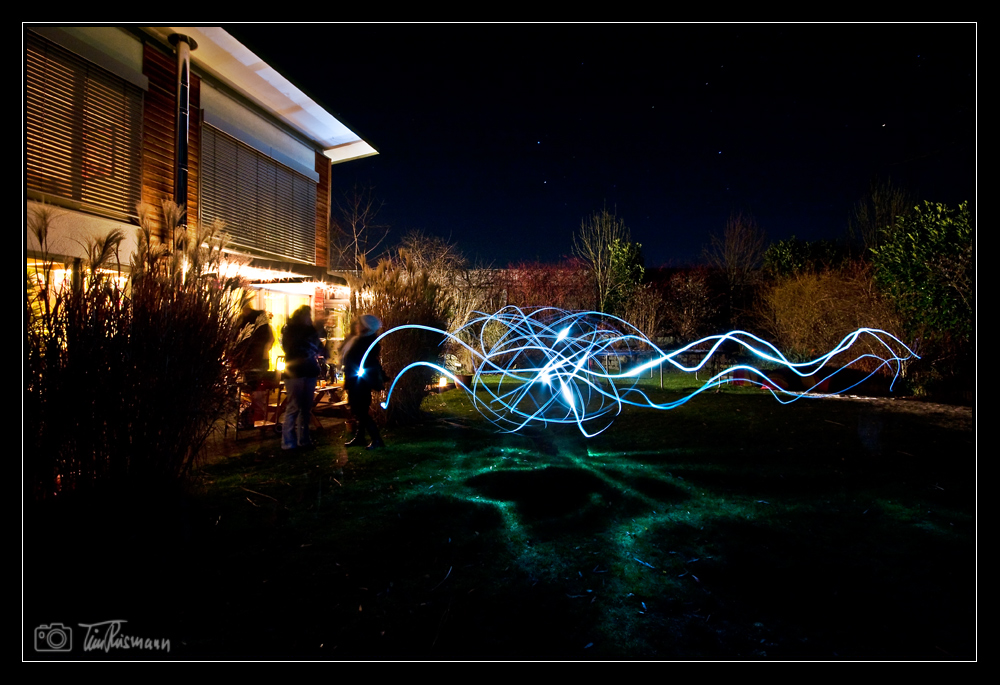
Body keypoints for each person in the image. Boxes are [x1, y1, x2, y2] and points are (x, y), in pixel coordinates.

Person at [340, 314, 386, 449]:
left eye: (360, 323)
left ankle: (377, 439)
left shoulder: (368, 341)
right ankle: (360, 437)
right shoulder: (357, 339)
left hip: (361, 380)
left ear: (366, 327)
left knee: (360, 410)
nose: (356, 325)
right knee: (360, 409)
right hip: (355, 378)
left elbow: (366, 360)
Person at [281, 305, 323, 450]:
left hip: (299, 371)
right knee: (296, 407)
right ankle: (292, 441)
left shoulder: (293, 332)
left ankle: (297, 440)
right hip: (299, 371)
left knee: (303, 408)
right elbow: (315, 348)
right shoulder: (297, 333)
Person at [235, 303, 275, 427]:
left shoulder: (244, 324)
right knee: (258, 391)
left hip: (249, 362)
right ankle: (256, 417)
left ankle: (248, 417)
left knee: (248, 390)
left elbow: (237, 343)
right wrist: (265, 350)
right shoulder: (262, 325)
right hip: (260, 361)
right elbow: (272, 338)